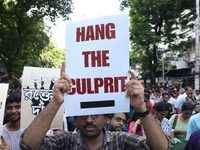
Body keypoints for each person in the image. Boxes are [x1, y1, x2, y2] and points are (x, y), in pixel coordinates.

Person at [20, 62, 170, 150]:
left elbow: (161, 148)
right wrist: (55, 102)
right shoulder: (65, 142)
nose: (89, 120)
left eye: (96, 115)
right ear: (75, 120)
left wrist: (142, 108)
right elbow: (28, 146)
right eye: (83, 115)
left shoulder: (122, 141)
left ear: (105, 118)